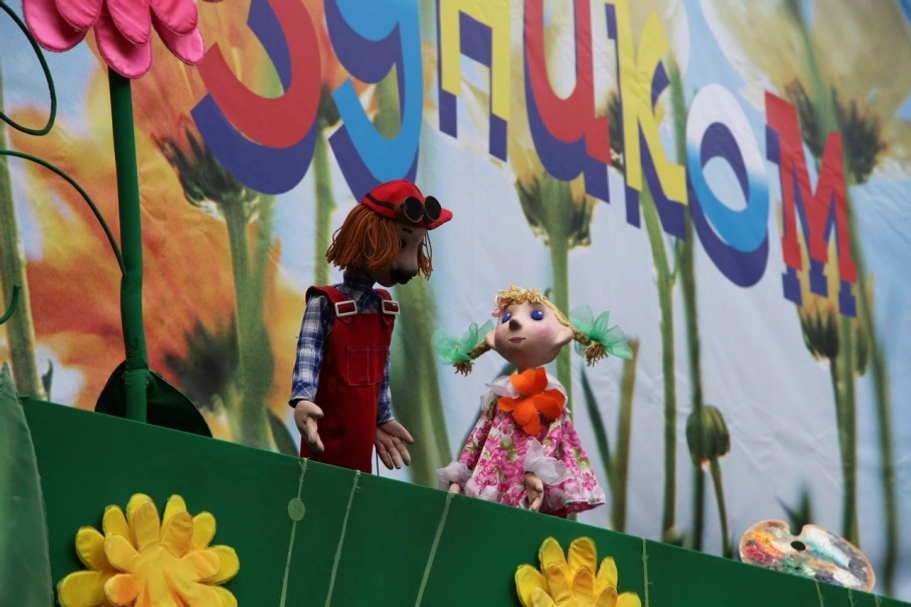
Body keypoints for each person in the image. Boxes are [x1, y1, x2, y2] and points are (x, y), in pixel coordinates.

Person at [290, 179, 453, 473]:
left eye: (416, 247)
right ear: (369, 236)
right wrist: (303, 398)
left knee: (357, 489)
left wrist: (382, 416)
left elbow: (381, 371)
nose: (411, 265)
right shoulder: (326, 303)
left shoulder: (383, 308)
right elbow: (308, 354)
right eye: (402, 243)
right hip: (325, 436)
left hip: (362, 441)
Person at [434, 286, 632, 517]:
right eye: (506, 317)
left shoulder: (551, 397)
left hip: (530, 494)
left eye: (536, 315)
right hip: (492, 486)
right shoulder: (500, 395)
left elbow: (555, 439)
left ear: (562, 335)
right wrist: (460, 476)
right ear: (493, 340)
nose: (514, 323)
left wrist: (536, 474)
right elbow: (479, 436)